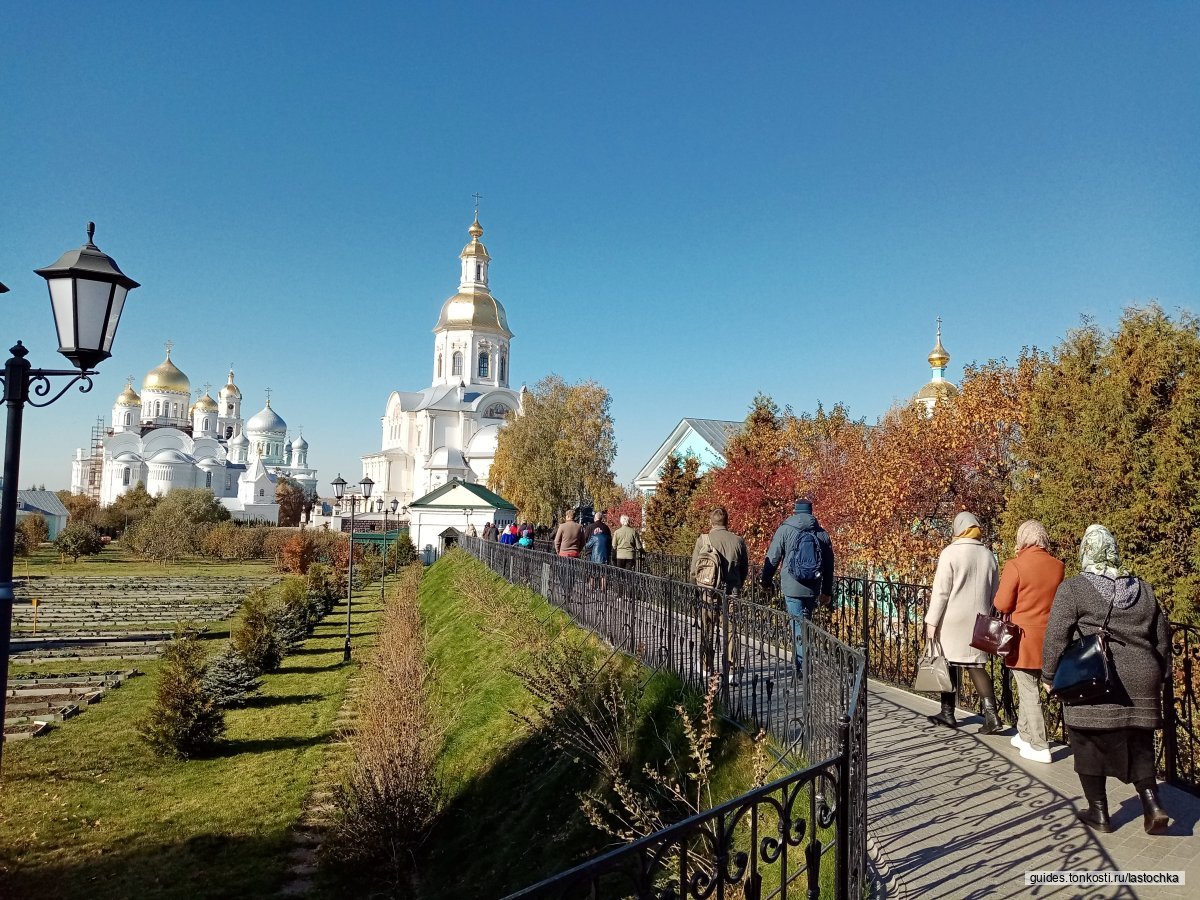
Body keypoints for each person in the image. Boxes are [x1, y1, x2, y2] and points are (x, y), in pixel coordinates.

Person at [1042, 525, 1171, 835]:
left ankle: (1099, 813)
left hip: (1095, 679)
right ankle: (1153, 804)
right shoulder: (1144, 589)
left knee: (1087, 741)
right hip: (1142, 679)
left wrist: (1049, 675)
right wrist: (1162, 675)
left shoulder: (1074, 588)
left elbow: (1056, 636)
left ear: (1086, 552)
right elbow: (1162, 639)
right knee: (1139, 743)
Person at [924, 511, 1003, 734]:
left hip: (952, 619)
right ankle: (992, 716)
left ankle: (948, 713)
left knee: (947, 662)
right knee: (975, 665)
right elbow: (995, 593)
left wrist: (931, 622)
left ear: (958, 529)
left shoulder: (950, 553)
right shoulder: (989, 555)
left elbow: (941, 592)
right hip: (979, 621)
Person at [992, 520, 1064, 763]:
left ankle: (1039, 744)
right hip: (1049, 638)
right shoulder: (1058, 566)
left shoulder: (1016, 565)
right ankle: (1023, 735)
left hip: (1022, 639)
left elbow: (1001, 604)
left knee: (1028, 689)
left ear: (1023, 538)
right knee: (1029, 687)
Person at [761, 500, 834, 671]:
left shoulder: (785, 529)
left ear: (794, 511)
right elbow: (829, 565)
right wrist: (827, 591)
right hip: (813, 586)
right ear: (811, 512)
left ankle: (802, 667)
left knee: (798, 626)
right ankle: (802, 661)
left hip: (791, 586)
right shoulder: (822, 533)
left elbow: (772, 558)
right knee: (805, 622)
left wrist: (766, 581)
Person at [691, 507, 749, 678]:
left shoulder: (703, 540)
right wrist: (738, 584)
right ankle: (731, 670)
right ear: (727, 521)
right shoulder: (738, 541)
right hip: (731, 593)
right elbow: (744, 569)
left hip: (708, 592)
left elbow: (694, 570)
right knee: (731, 631)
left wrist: (696, 589)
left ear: (711, 521)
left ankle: (705, 665)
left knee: (707, 629)